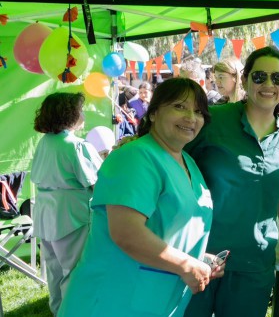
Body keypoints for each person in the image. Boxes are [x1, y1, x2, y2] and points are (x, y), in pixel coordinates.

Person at [59, 78, 222, 317]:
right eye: (179, 106)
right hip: (114, 300)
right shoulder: (135, 157)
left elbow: (168, 225)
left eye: (198, 111)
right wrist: (187, 264)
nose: (191, 117)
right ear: (154, 113)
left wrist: (197, 257)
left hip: (155, 299)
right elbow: (127, 233)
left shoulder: (187, 161)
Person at [184, 47, 279, 317]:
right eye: (260, 76)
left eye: (277, 78)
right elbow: (175, 165)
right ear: (245, 78)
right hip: (197, 255)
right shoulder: (213, 122)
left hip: (253, 261)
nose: (268, 85)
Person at [29, 92, 102, 315]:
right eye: (80, 110)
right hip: (70, 214)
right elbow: (95, 181)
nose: (83, 114)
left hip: (45, 211)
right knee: (74, 269)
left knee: (54, 269)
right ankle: (73, 311)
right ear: (70, 115)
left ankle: (59, 310)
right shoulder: (76, 145)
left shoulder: (45, 142)